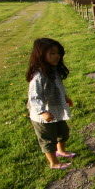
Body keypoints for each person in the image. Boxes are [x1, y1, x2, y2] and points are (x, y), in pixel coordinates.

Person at [26, 38, 75, 170]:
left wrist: (65, 97)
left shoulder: (53, 70)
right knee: (48, 139)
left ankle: (62, 151)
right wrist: (43, 112)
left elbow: (59, 87)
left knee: (63, 132)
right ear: (41, 55)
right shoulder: (38, 76)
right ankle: (54, 162)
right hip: (43, 116)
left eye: (58, 53)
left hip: (56, 110)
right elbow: (34, 97)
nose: (57, 56)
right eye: (52, 53)